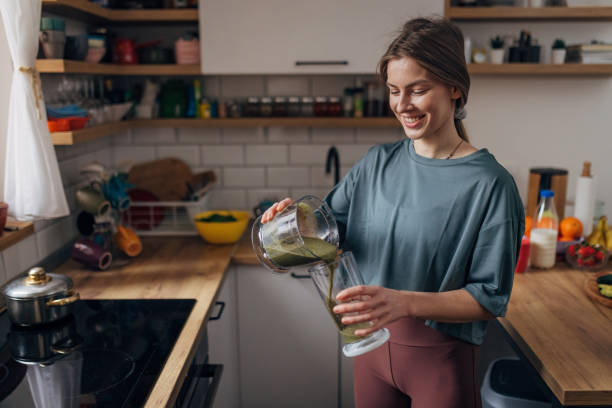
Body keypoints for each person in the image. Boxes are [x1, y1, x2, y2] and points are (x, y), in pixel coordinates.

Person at [262, 17, 524, 408]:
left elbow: (489, 299)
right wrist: (293, 222)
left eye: (418, 90)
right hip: (367, 353)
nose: (403, 105)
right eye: (394, 91)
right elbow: (328, 236)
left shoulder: (490, 184)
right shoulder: (375, 164)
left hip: (441, 364)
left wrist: (404, 303)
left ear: (455, 88)